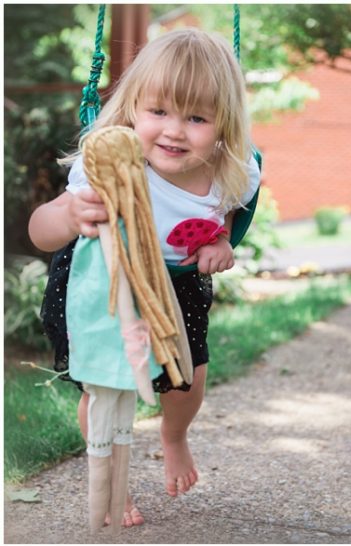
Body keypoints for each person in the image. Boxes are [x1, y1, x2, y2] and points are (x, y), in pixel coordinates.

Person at [30, 28, 261, 528]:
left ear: (223, 123)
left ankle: (174, 437)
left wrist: (219, 245)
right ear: (133, 107)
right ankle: (112, 479)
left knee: (188, 380)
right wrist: (70, 215)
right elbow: (40, 232)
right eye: (159, 112)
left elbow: (228, 219)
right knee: (106, 390)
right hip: (103, 284)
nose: (175, 131)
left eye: (196, 117)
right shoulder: (107, 160)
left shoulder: (230, 170)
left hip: (176, 284)